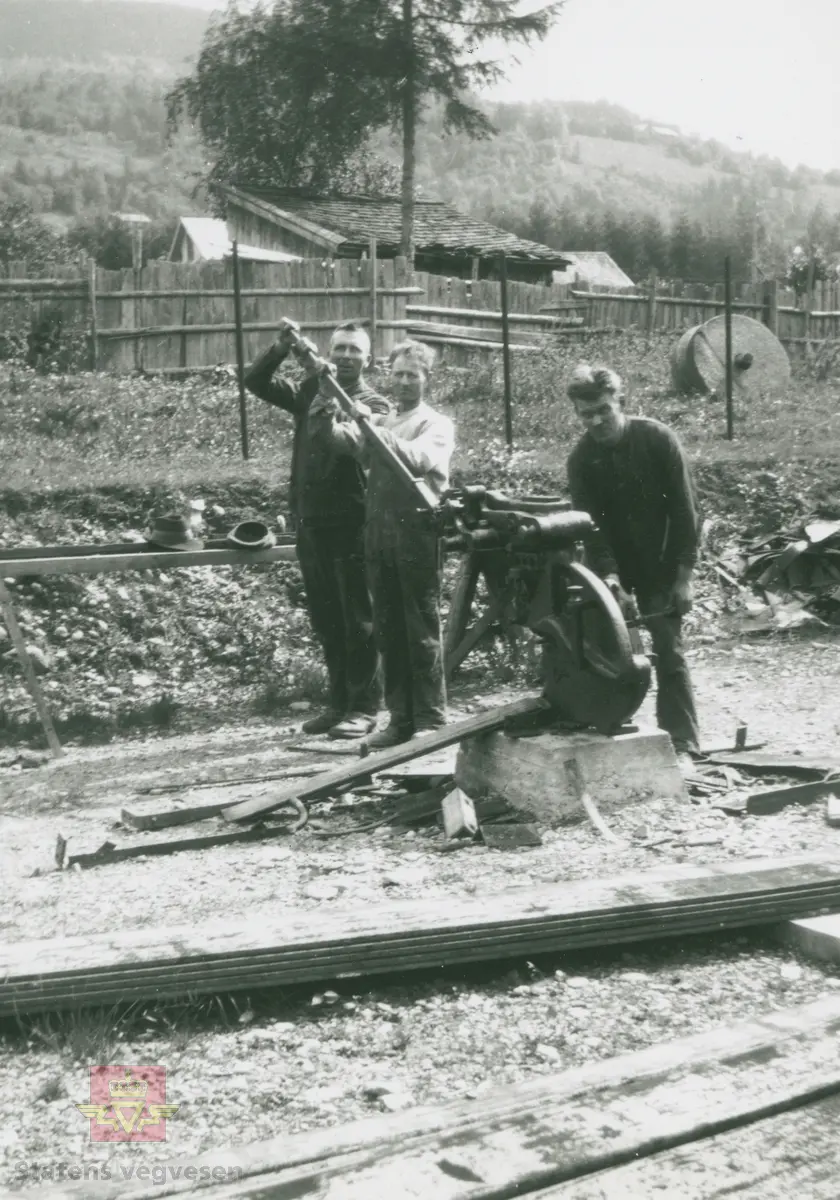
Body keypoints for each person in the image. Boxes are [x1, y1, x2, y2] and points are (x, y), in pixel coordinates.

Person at [244, 320, 391, 739]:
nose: (346, 356)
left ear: (368, 359)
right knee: (327, 617)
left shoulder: (374, 403)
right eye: (340, 348)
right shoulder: (310, 390)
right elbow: (256, 381)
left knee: (357, 619)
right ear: (329, 351)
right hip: (310, 519)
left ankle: (365, 707)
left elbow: (356, 437)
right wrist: (281, 348)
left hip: (353, 520)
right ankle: (339, 704)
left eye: (355, 351)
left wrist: (332, 394)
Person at [313, 339, 455, 748]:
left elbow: (416, 459)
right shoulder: (386, 419)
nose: (405, 382)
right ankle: (400, 720)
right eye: (398, 374)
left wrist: (369, 425)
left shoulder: (436, 424)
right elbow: (341, 443)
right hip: (378, 530)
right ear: (388, 376)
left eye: (413, 375)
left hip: (417, 532)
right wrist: (326, 406)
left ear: (427, 378)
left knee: (419, 628)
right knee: (388, 629)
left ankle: (430, 718)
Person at [565, 363, 701, 768]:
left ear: (620, 401)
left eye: (603, 410)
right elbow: (591, 528)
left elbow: (685, 513)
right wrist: (609, 578)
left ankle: (682, 743)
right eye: (586, 415)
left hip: (660, 562)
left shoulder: (657, 439)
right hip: (615, 566)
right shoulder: (581, 459)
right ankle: (614, 735)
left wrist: (683, 578)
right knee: (613, 657)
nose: (596, 421)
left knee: (669, 652)